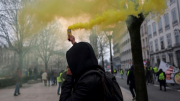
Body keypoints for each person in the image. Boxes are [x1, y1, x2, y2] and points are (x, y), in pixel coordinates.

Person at [59, 35, 104, 101]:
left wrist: (69, 77)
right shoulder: (98, 74)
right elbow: (82, 53)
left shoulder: (86, 84)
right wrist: (74, 42)